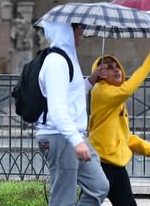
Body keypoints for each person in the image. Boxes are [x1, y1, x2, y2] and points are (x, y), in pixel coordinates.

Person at [36, 21, 109, 205]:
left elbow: (72, 95)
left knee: (98, 186)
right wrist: (76, 141)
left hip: (71, 135)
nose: (81, 33)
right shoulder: (56, 62)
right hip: (60, 135)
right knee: (63, 199)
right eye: (77, 28)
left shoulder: (68, 58)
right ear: (65, 31)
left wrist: (92, 79)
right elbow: (57, 109)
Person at [88, 43, 150, 206]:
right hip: (102, 163)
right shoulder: (102, 91)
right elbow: (129, 88)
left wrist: (147, 148)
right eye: (108, 67)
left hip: (112, 163)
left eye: (117, 66)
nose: (116, 70)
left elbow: (121, 135)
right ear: (100, 73)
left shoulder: (116, 99)